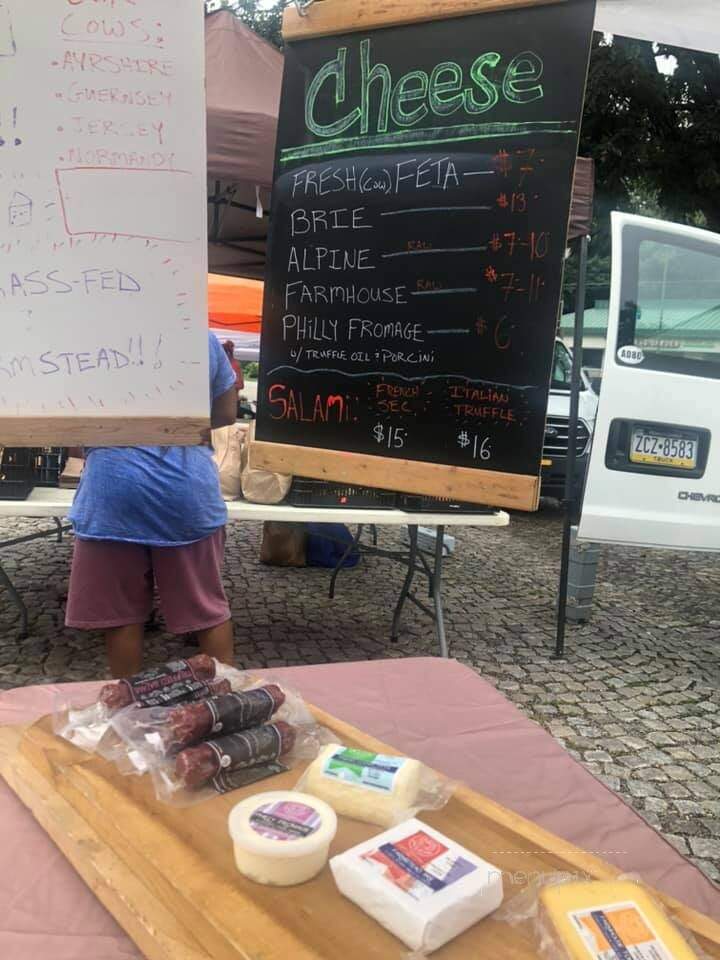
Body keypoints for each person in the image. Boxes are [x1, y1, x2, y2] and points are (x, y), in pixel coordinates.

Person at [65, 333, 238, 678]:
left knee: (122, 616)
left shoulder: (83, 334)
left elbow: (67, 421)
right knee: (208, 610)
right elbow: (227, 411)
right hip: (185, 488)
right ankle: (228, 704)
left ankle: (126, 708)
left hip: (112, 489)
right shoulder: (198, 336)